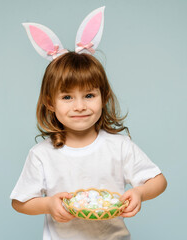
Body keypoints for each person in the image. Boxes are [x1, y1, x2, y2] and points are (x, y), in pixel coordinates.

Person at [10, 51, 167, 239]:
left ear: (104, 97)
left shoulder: (119, 146)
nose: (79, 106)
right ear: (50, 102)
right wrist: (48, 205)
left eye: (89, 95)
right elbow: (20, 202)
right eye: (67, 97)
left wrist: (140, 193)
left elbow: (158, 181)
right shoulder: (41, 154)